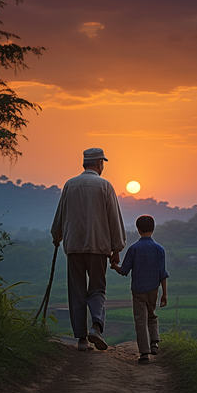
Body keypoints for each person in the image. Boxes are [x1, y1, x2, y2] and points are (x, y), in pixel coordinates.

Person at [51, 148, 126, 351]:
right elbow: (114, 218)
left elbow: (60, 214)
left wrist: (56, 236)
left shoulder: (70, 184)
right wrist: (116, 248)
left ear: (85, 163)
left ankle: (82, 340)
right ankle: (96, 327)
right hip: (98, 247)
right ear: (100, 163)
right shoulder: (105, 186)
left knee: (76, 291)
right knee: (97, 289)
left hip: (74, 247)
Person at [111, 215, 169, 364]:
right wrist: (164, 294)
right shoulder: (160, 249)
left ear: (138, 230)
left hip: (138, 291)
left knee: (140, 321)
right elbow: (162, 273)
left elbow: (124, 271)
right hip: (154, 289)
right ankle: (154, 342)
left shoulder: (133, 249)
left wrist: (114, 266)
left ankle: (144, 353)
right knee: (151, 316)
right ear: (153, 228)